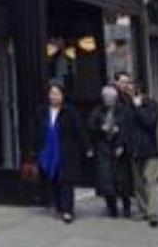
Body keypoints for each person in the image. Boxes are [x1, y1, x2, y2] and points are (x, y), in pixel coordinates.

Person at [32, 81, 89, 224]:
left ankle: (68, 210)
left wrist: (87, 147)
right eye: (52, 93)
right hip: (48, 150)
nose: (54, 97)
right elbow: (36, 131)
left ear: (63, 95)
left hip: (66, 151)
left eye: (57, 94)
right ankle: (59, 206)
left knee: (66, 181)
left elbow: (79, 130)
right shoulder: (42, 111)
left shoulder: (70, 111)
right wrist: (34, 149)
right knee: (54, 179)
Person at [89, 85, 135, 219]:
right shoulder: (98, 110)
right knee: (106, 179)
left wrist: (121, 141)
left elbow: (128, 129)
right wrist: (100, 128)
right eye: (106, 97)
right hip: (104, 147)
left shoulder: (124, 110)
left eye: (111, 97)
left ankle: (126, 207)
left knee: (123, 180)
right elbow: (90, 125)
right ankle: (112, 207)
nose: (108, 100)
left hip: (119, 148)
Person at [129, 82, 158, 228]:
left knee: (150, 181)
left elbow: (150, 123)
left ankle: (153, 213)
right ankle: (143, 209)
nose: (131, 94)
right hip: (135, 149)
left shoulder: (153, 105)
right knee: (138, 184)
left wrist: (138, 108)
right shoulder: (128, 106)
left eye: (134, 91)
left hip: (150, 150)